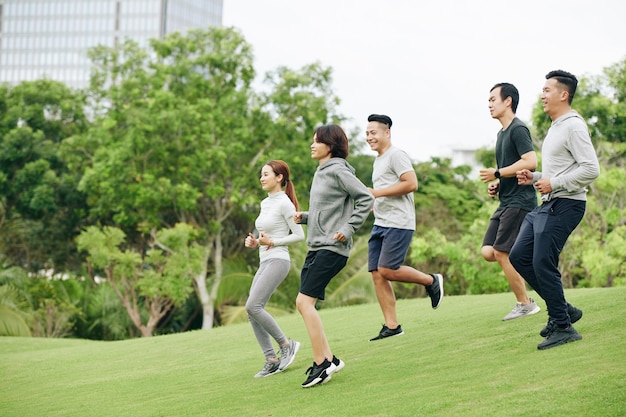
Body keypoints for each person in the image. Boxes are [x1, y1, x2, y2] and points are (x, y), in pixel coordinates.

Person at [510, 70, 600, 350]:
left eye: (547, 90)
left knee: (542, 263)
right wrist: (535, 178)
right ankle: (564, 310)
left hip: (568, 204)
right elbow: (558, 172)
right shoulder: (556, 126)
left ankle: (563, 326)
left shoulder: (573, 126)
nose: (542, 94)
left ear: (564, 94)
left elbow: (591, 169)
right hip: (549, 204)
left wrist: (554, 182)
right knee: (519, 255)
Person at [294, 124, 374, 387]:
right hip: (317, 246)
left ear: (330, 145)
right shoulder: (322, 171)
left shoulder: (338, 169)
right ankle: (329, 359)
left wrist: (347, 229)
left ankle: (321, 364)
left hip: (332, 248)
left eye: (317, 141)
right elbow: (326, 209)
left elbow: (365, 198)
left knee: (304, 303)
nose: (312, 145)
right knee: (304, 303)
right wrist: (305, 217)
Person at [365, 114, 443, 342]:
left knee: (388, 269)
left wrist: (377, 193)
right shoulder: (378, 160)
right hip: (381, 222)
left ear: (386, 132)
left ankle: (431, 280)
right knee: (377, 274)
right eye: (367, 133)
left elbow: (411, 183)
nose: (369, 137)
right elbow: (385, 189)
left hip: (399, 223)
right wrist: (375, 203)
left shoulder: (396, 155)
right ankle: (392, 325)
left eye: (373, 133)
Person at [479, 83, 541, 321]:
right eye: (489, 100)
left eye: (493, 99)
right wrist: (498, 183)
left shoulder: (518, 129)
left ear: (508, 101)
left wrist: (497, 173)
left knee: (502, 252)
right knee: (488, 252)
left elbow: (531, 161)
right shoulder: (501, 133)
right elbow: (510, 170)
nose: (489, 104)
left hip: (520, 201)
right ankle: (526, 258)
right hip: (506, 200)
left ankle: (525, 304)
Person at [244, 160, 304, 378]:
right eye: (261, 174)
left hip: (278, 260)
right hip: (264, 260)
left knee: (254, 305)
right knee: (251, 311)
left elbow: (299, 235)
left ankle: (286, 344)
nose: (262, 178)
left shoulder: (285, 203)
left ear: (279, 178)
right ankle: (271, 359)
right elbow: (263, 235)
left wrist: (273, 242)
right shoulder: (265, 203)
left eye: (266, 174)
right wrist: (253, 242)